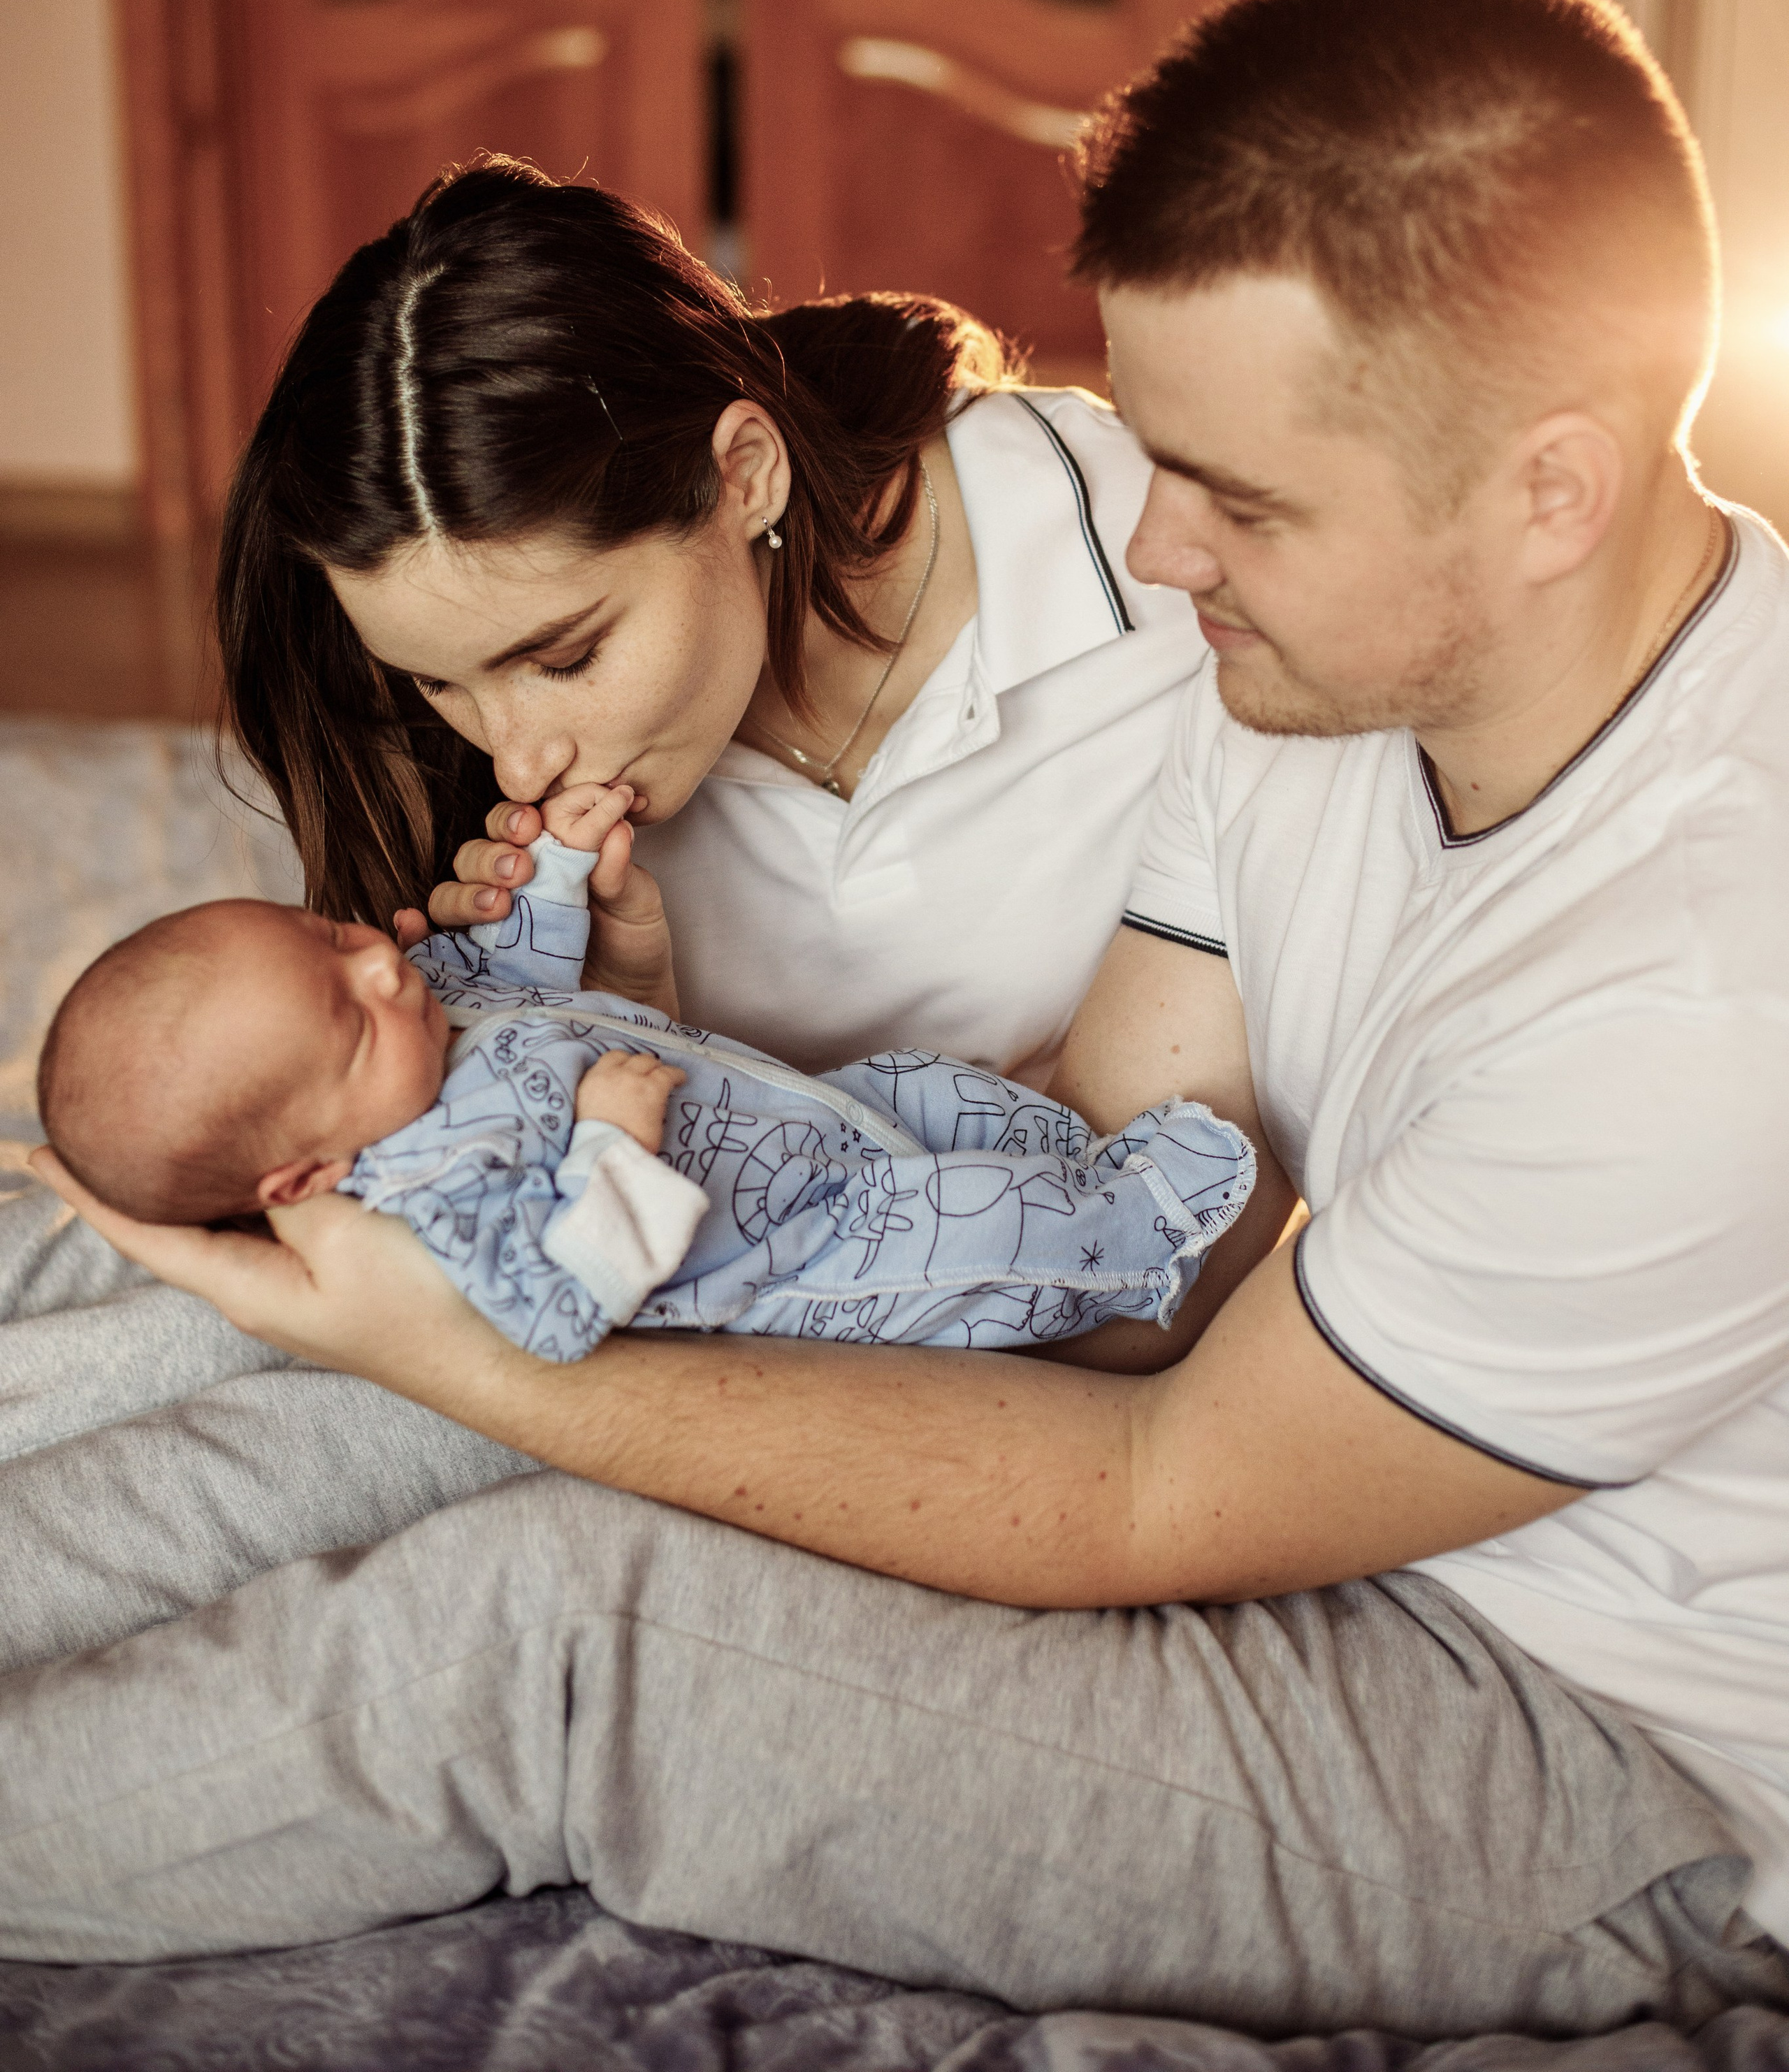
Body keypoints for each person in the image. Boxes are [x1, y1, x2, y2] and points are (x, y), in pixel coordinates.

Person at [10, 0, 1789, 2045]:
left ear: (1551, 489)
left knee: (547, 1631)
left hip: (1609, 1757)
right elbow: (1116, 1225)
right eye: (1162, 458)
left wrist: (489, 1359)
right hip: (1311, 1496)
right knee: (321, 1281)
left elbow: (1157, 1482)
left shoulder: (1707, 988)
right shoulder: (1296, 684)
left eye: (1236, 498)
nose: (1161, 552)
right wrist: (606, 1112)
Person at [0, 158, 1205, 1646]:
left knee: (275, 1419)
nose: (514, 754)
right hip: (601, 1218)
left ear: (745, 475)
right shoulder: (506, 781)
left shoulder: (1156, 581)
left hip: (844, 1312)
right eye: (440, 682)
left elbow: (1128, 1258)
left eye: (564, 657)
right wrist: (622, 1011)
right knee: (132, 1206)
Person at [36, 785, 1250, 1359]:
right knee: (975, 1229)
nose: (381, 973)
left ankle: (1077, 1156)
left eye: (330, 939)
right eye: (349, 1020)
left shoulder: (430, 1008)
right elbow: (554, 1303)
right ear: (307, 1175)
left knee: (939, 1090)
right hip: (810, 1253)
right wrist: (610, 1147)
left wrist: (556, 873)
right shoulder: (433, 1190)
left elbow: (514, 968)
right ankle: (1140, 1230)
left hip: (821, 1117)